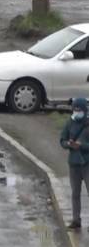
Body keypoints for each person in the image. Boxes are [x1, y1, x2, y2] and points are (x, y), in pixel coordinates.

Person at [61, 98, 89, 229]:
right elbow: (62, 140)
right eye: (75, 109)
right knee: (75, 193)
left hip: (87, 163)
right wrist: (68, 144)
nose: (76, 112)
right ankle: (76, 220)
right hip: (73, 164)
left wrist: (82, 146)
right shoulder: (69, 123)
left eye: (79, 110)